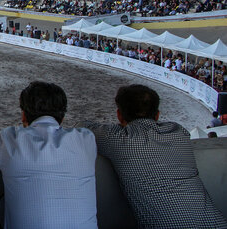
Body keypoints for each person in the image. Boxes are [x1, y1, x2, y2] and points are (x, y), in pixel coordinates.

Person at [81, 85, 227, 229]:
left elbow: (82, 127)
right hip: (216, 222)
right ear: (157, 115)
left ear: (119, 115)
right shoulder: (178, 133)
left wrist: (120, 129)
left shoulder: (120, 140)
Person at [0, 81, 98, 229]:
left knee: (2, 207)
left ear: (23, 116)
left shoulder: (12, 140)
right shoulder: (86, 139)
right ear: (62, 118)